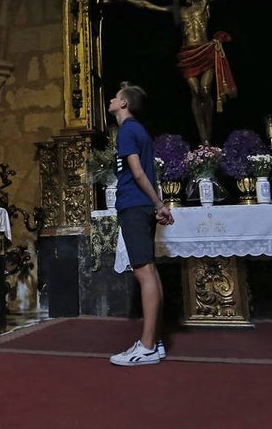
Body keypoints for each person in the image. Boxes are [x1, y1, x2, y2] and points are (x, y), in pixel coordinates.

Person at [113, 0, 272, 145]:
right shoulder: (178, 11)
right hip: (188, 55)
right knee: (196, 92)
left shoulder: (204, 2)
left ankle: (208, 136)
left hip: (205, 51)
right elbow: (147, 5)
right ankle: (203, 137)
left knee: (205, 91)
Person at [107, 81, 174, 367]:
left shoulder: (127, 131)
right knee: (150, 270)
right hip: (142, 205)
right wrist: (155, 204)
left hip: (135, 205)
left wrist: (159, 204)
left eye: (116, 97)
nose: (111, 99)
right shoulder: (139, 131)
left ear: (124, 104)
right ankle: (156, 342)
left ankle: (145, 347)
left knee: (143, 272)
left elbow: (136, 172)